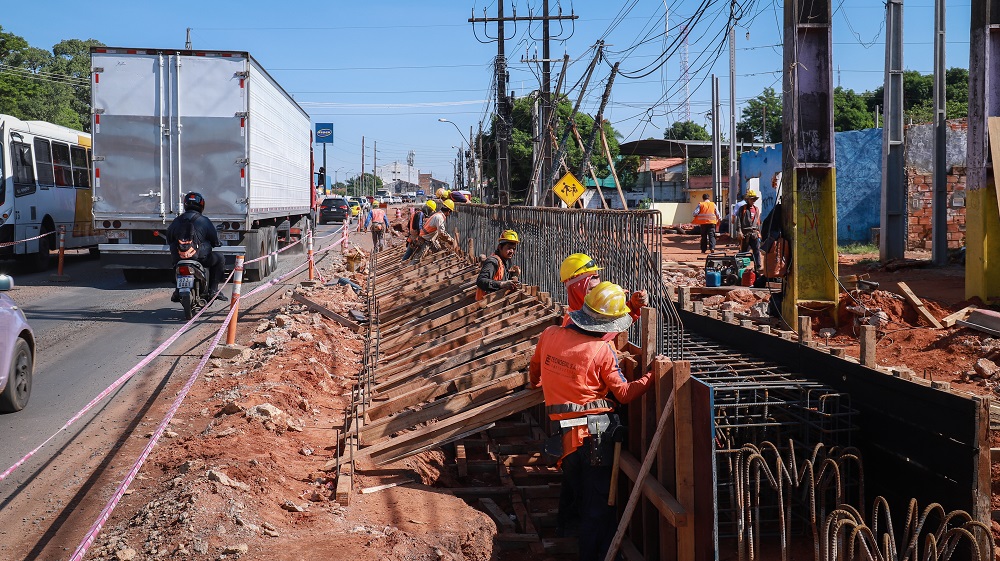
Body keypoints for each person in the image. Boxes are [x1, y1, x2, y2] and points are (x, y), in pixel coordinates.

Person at [528, 281, 654, 561]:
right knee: (598, 509)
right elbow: (623, 394)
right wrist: (652, 375)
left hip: (564, 440)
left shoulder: (550, 334)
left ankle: (565, 534)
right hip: (595, 441)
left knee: (576, 493)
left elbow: (535, 370)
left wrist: (535, 384)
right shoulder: (601, 352)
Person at [559, 253, 648, 340]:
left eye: (598, 288)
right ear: (576, 290)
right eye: (592, 289)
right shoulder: (573, 324)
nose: (597, 293)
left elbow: (611, 325)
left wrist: (630, 306)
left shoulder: (589, 314)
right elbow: (608, 330)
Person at [166, 192, 227, 302]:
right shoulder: (204, 221)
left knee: (175, 264)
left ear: (185, 204)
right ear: (202, 205)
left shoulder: (176, 221)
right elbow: (214, 240)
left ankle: (177, 290)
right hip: (199, 258)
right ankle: (213, 290)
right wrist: (216, 243)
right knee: (220, 258)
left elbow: (169, 239)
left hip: (179, 258)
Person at [475, 230, 522, 300]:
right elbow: (480, 281)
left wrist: (512, 275)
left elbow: (499, 278)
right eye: (509, 248)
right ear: (500, 247)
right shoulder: (493, 262)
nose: (512, 251)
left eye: (514, 248)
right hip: (484, 305)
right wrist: (502, 284)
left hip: (492, 303)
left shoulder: (502, 261)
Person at [408, 199, 456, 264]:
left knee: (438, 251)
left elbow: (438, 232)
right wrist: (450, 240)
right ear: (449, 211)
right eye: (450, 212)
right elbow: (441, 233)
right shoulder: (439, 217)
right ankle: (409, 269)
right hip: (424, 240)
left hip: (428, 239)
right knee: (417, 260)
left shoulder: (437, 215)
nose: (449, 215)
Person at [737, 188, 763, 273]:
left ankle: (758, 267)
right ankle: (741, 268)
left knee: (756, 250)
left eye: (754, 199)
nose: (753, 201)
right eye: (751, 199)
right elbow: (738, 220)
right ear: (747, 199)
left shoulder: (756, 209)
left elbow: (758, 222)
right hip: (745, 234)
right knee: (744, 252)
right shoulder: (743, 209)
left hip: (754, 233)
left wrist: (759, 233)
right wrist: (739, 231)